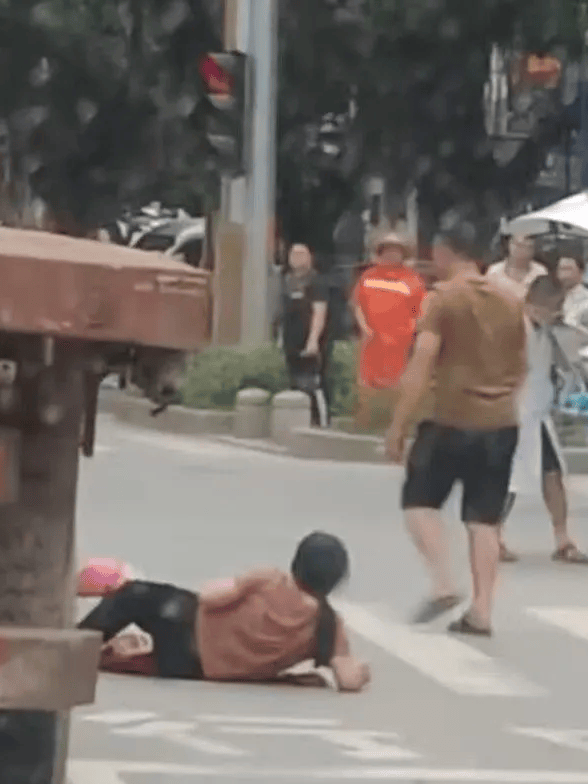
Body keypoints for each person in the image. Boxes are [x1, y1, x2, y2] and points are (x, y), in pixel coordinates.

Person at [385, 218, 527, 637]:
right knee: (485, 520)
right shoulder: (511, 300)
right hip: (501, 423)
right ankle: (482, 610)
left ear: (446, 252)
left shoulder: (441, 300)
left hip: (450, 417)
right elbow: (522, 367)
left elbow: (422, 361)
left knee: (419, 502)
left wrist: (399, 425)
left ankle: (443, 582)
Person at [77, 532, 371, 691]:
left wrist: (222, 583)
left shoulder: (269, 579)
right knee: (137, 662)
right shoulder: (328, 625)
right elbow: (347, 677)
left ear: (297, 562)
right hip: (195, 669)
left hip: (185, 625)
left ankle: (75, 645)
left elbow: (210, 598)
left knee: (132, 595)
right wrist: (361, 672)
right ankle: (122, 656)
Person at [498, 274, 588, 565]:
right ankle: (494, 536)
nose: (556, 313)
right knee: (509, 479)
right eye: (552, 308)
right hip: (514, 411)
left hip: (539, 412)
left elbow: (569, 357)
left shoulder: (550, 332)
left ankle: (562, 539)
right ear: (535, 307)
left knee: (552, 473)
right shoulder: (513, 329)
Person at [351, 229, 428, 430]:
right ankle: (366, 426)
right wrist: (364, 327)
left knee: (396, 386)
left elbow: (420, 312)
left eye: (396, 251)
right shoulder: (368, 276)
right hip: (372, 342)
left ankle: (392, 427)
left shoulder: (412, 280)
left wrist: (410, 332)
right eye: (387, 251)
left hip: (399, 345)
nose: (391, 255)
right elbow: (358, 304)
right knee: (367, 386)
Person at [279, 243, 332, 428]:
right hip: (290, 341)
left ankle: (321, 422)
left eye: (302, 254)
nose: (297, 258)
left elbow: (320, 311)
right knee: (295, 382)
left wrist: (313, 340)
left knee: (314, 384)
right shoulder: (286, 281)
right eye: (293, 254)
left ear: (310, 258)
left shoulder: (316, 281)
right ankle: (298, 421)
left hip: (310, 341)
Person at [486, 232, 549, 302]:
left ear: (533, 249)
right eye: (517, 244)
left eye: (526, 246)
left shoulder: (541, 272)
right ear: (509, 244)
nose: (520, 249)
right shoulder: (493, 271)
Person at [556, 249, 588, 330]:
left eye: (568, 269)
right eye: (561, 269)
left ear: (581, 272)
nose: (564, 274)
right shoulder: (552, 297)